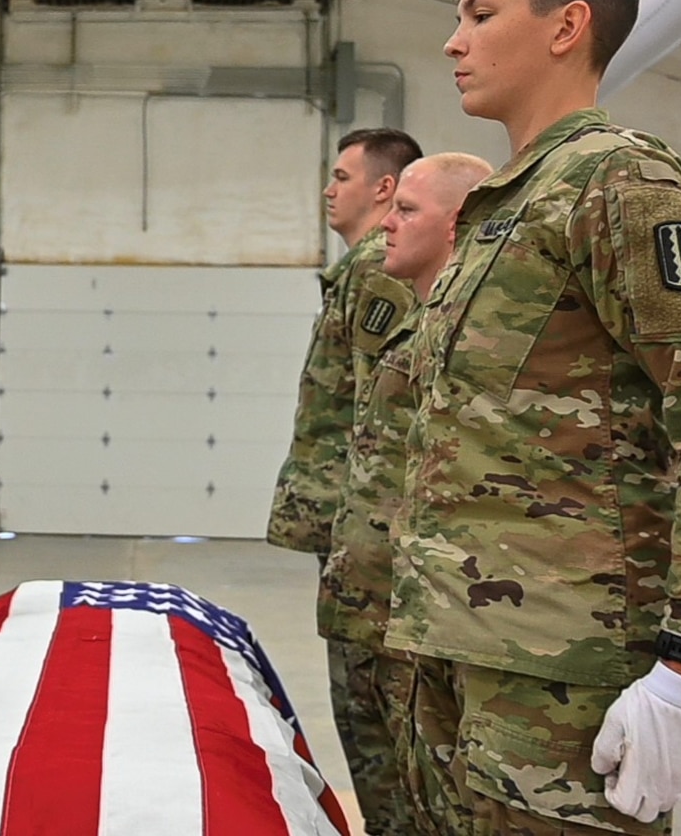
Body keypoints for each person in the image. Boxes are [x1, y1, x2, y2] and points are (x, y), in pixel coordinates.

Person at [386, 0, 681, 835]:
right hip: (464, 648)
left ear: (567, 25)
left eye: (480, 15)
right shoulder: (505, 209)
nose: (453, 43)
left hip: (565, 674)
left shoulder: (616, 181)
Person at [322, 153, 494, 824]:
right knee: (394, 788)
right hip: (373, 579)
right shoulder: (421, 320)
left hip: (418, 603)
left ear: (455, 224)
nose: (384, 225)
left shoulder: (469, 331)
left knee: (423, 792)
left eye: (405, 211)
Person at [266, 125, 422, 836]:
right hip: (356, 534)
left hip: (369, 545)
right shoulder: (364, 270)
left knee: (374, 724)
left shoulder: (374, 270)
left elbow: (376, 415)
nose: (328, 190)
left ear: (383, 188)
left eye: (342, 175)